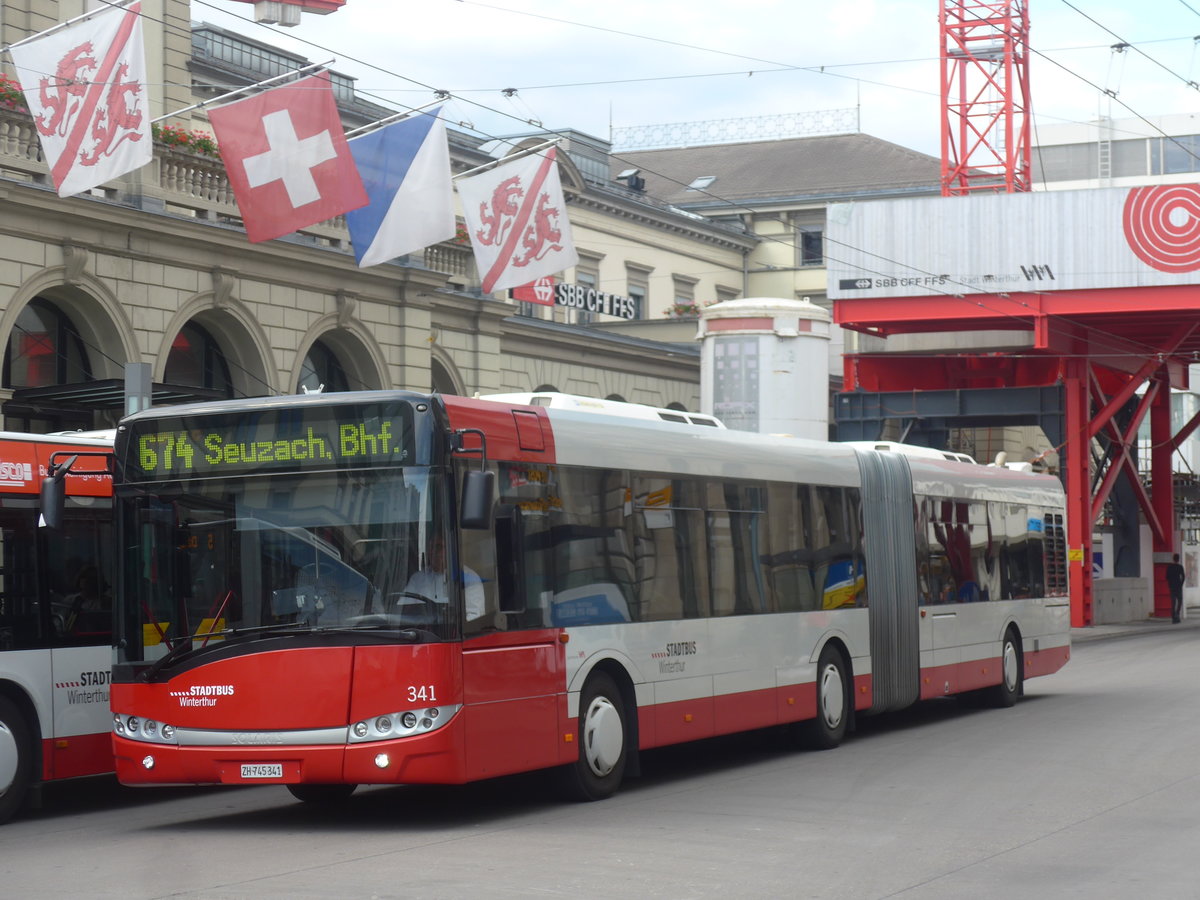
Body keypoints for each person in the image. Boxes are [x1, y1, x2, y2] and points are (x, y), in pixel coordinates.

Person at [402, 534, 485, 620]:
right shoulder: (417, 578)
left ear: (450, 550)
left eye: (438, 547)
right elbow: (404, 609)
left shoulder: (469, 579)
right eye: (430, 548)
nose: (433, 552)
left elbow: (474, 616)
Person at [1166, 553, 1186, 624]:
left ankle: (1173, 617)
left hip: (1172, 587)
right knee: (1180, 601)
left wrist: (1170, 583)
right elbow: (1183, 576)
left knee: (1173, 602)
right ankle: (1177, 614)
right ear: (1178, 559)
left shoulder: (1169, 567)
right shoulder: (1180, 567)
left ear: (1173, 559)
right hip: (1178, 586)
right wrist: (1181, 584)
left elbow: (1167, 577)